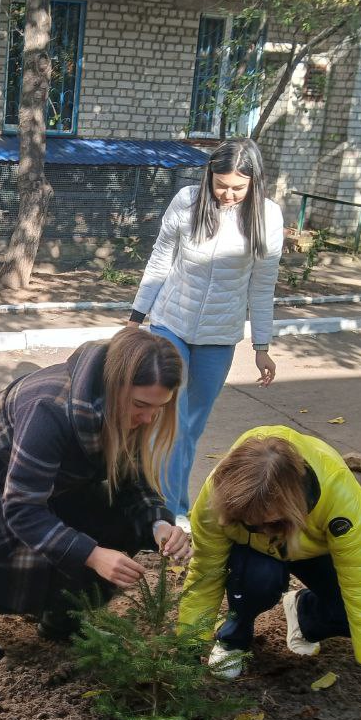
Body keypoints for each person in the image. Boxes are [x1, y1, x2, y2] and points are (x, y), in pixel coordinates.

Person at [0, 329, 193, 662]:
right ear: (115, 384)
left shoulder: (121, 411)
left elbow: (130, 480)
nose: (149, 418)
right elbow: (23, 510)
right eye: (141, 405)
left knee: (121, 528)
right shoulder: (49, 408)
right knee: (36, 570)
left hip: (41, 489)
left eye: (158, 408)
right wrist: (93, 555)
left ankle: (61, 621)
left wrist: (158, 526)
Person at [178, 425, 361, 720]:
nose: (262, 529)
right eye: (250, 523)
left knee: (354, 615)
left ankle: (304, 612)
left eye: (270, 522)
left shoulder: (339, 497)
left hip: (314, 549)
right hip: (253, 558)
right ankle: (235, 635)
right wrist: (183, 662)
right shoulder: (217, 496)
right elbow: (204, 577)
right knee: (255, 581)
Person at [127, 137, 284, 518]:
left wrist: (262, 345)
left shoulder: (268, 216)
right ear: (208, 175)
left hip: (219, 335)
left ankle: (168, 506)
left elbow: (262, 286)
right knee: (168, 416)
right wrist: (136, 318)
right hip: (171, 323)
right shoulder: (186, 201)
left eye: (237, 188)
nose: (227, 194)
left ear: (254, 182)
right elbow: (161, 259)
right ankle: (153, 508)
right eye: (220, 184)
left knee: (190, 427)